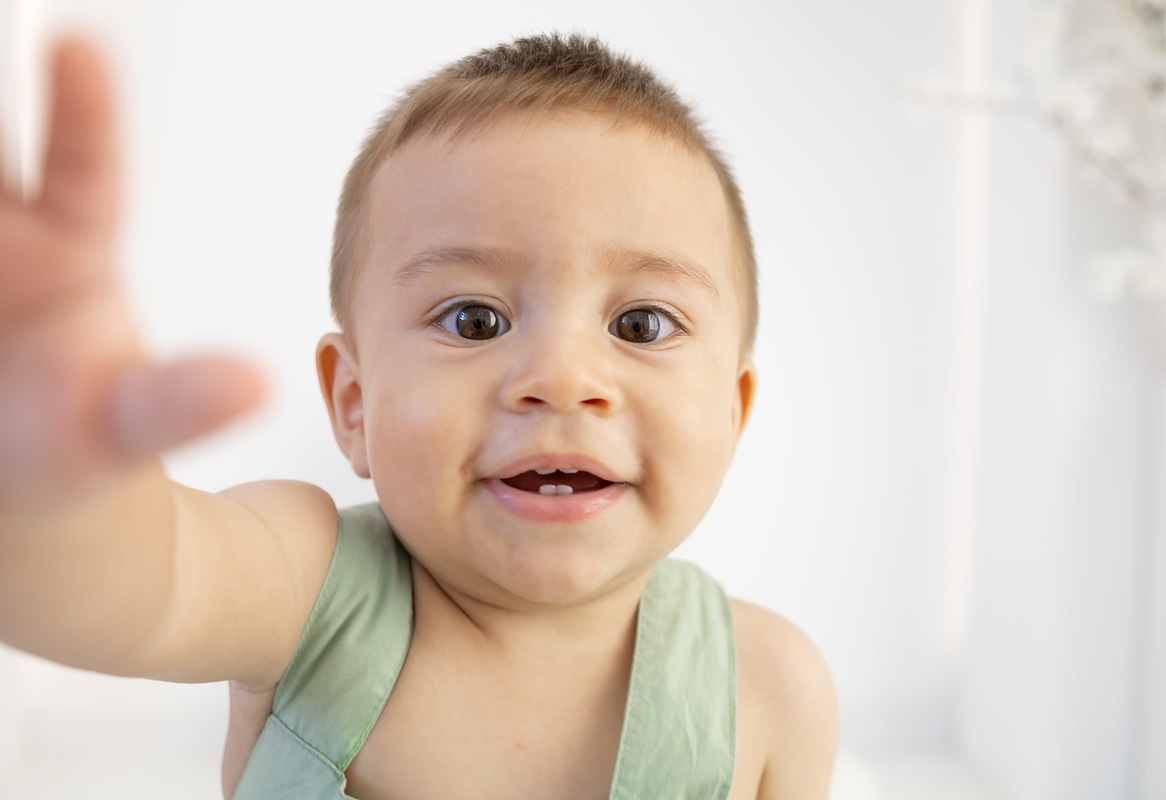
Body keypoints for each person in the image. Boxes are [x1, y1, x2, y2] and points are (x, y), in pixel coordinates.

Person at [0, 31, 838, 799]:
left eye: (640, 325)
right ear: (354, 404)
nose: (560, 379)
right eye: (475, 320)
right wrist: (51, 500)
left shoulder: (770, 690)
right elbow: (138, 588)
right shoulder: (304, 589)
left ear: (733, 413)